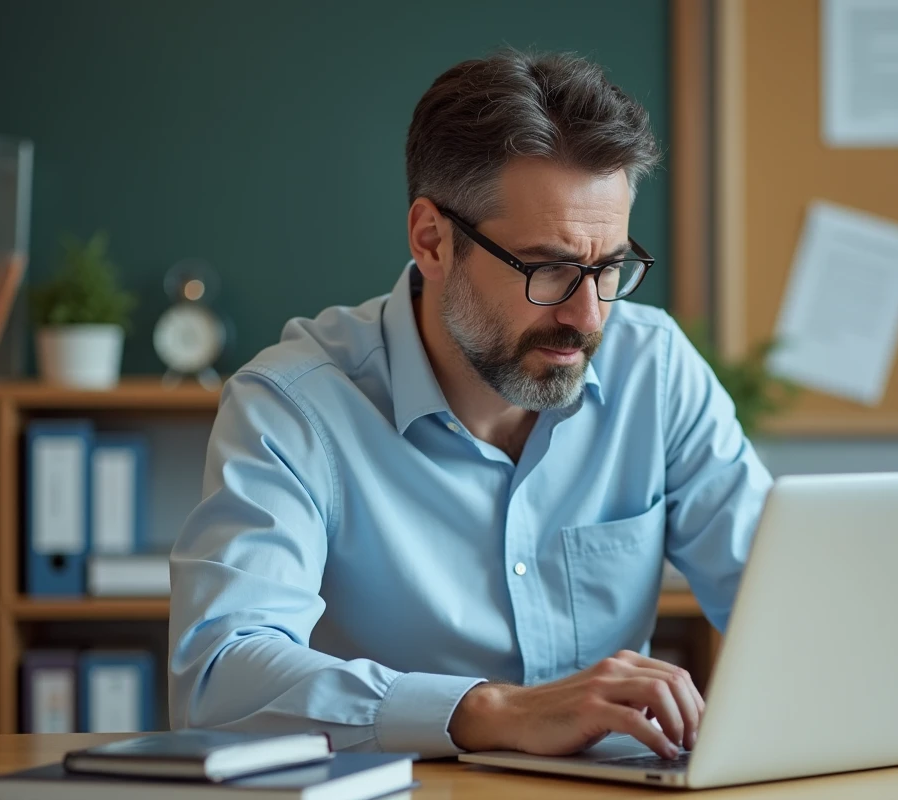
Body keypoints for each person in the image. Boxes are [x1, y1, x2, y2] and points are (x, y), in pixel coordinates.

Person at [168, 48, 772, 762]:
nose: (587, 316)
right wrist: (488, 712)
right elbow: (216, 677)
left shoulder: (657, 370)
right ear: (432, 241)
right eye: (549, 267)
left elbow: (790, 608)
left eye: (609, 269)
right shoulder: (294, 407)